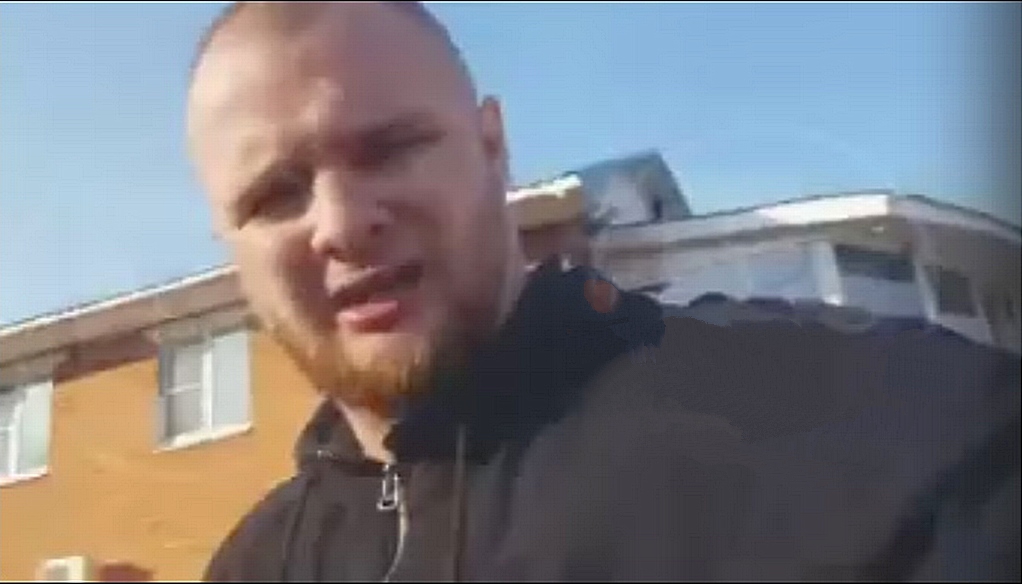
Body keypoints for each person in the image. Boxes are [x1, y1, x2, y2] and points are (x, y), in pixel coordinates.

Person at [185, 2, 1020, 581]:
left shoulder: (872, 429)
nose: (341, 223)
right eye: (275, 196)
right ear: (229, 245)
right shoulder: (254, 566)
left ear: (493, 148)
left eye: (391, 149)